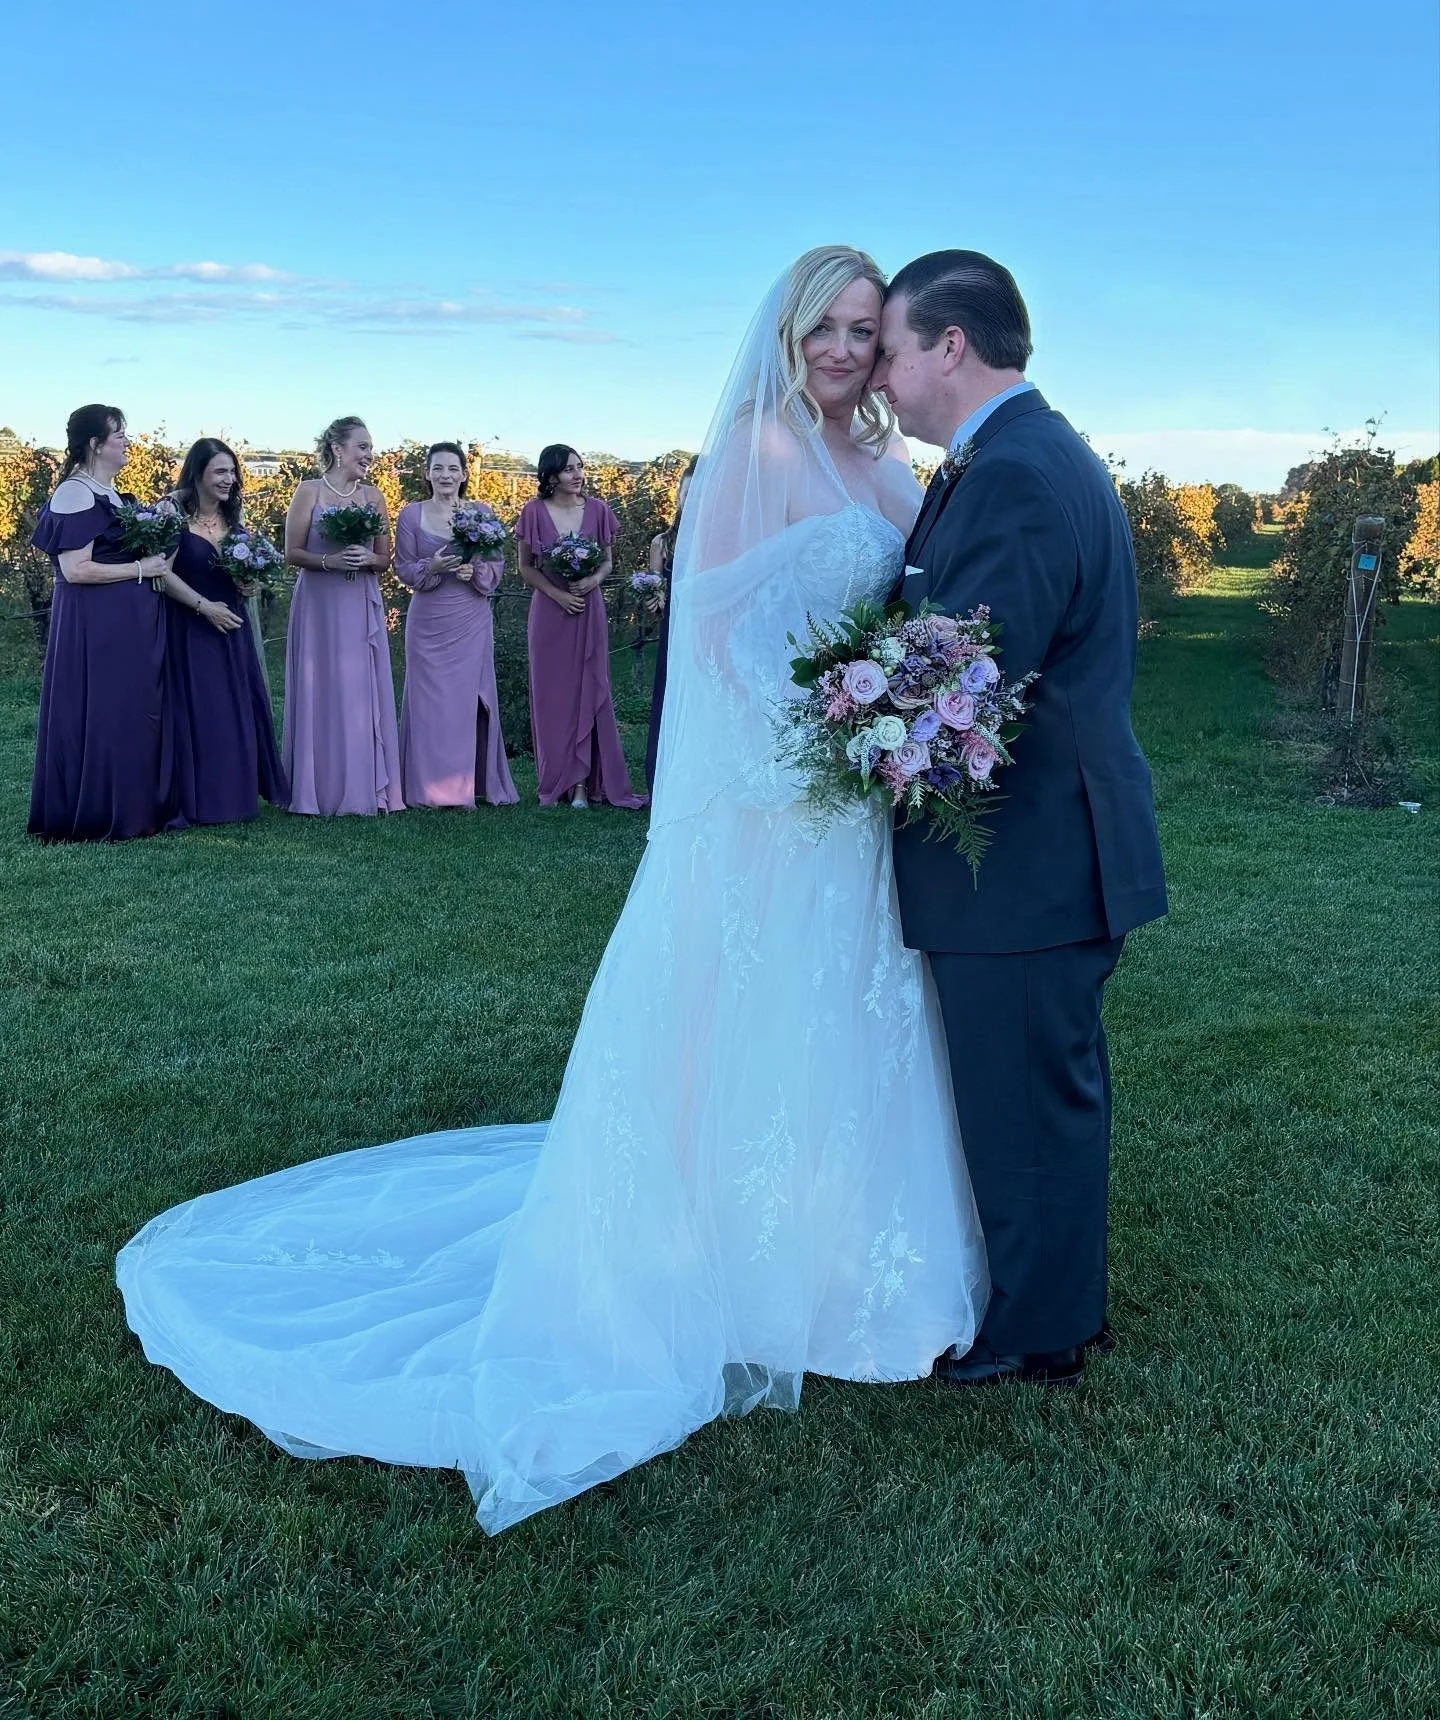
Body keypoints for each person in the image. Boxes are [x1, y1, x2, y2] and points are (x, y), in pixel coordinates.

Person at [115, 247, 988, 1535]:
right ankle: (733, 1261)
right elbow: (719, 640)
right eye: (828, 329)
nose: (848, 351)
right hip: (773, 797)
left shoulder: (895, 468)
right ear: (791, 332)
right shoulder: (753, 450)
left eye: (867, 331)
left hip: (859, 800)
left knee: (855, 1010)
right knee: (757, 1006)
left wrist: (897, 721)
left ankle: (852, 1256)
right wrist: (809, 749)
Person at [872, 249, 1168, 1387]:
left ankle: (1041, 1332)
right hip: (1049, 850)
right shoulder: (1014, 454)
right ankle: (1051, 1305)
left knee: (1030, 1099)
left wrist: (850, 708)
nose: (882, 376)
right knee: (1034, 1087)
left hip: (1036, 853)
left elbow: (966, 675)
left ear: (951, 344)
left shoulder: (1013, 472)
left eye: (893, 349)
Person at [28, 405, 179, 842]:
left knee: (126, 711)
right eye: (119, 435)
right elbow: (77, 570)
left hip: (126, 621)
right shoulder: (75, 493)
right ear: (95, 444)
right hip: (96, 624)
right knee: (104, 709)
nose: (127, 442)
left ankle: (132, 806)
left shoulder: (111, 493)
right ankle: (97, 810)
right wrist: (139, 570)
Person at [160, 439, 288, 825]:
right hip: (189, 624)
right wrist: (203, 607)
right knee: (203, 711)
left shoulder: (235, 517)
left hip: (232, 624)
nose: (228, 480)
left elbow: (241, 570)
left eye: (232, 472)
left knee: (236, 710)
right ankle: (199, 800)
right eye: (220, 472)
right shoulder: (173, 512)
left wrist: (249, 584)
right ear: (198, 473)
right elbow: (159, 573)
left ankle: (235, 796)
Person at [280, 417, 404, 817]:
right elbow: (292, 553)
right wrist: (329, 561)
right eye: (363, 447)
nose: (370, 454)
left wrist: (371, 559)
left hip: (358, 602)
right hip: (319, 602)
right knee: (320, 686)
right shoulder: (309, 491)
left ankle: (363, 786)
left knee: (359, 690)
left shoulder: (374, 497)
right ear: (337, 449)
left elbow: (387, 558)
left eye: (370, 447)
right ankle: (315, 789)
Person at [514, 446, 646, 809]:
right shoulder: (533, 512)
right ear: (551, 475)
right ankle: (556, 781)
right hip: (550, 613)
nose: (578, 474)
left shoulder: (599, 510)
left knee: (591, 689)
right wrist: (558, 595)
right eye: (569, 469)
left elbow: (607, 561)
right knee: (552, 697)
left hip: (588, 609)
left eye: (580, 467)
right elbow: (525, 569)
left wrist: (592, 583)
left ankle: (583, 787)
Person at [393, 443, 517, 809]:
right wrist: (431, 568)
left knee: (466, 703)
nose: (445, 475)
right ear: (426, 473)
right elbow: (403, 568)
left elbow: (495, 566)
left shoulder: (482, 513)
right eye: (438, 468)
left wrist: (473, 571)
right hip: (428, 618)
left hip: (469, 616)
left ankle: (465, 786)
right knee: (428, 703)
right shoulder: (410, 516)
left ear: (464, 474)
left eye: (452, 468)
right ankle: (426, 788)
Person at [643, 455, 696, 795]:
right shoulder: (662, 542)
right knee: (669, 693)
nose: (690, 499)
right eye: (685, 491)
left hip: (704, 631)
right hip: (673, 629)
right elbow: (653, 585)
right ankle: (661, 778)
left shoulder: (719, 539)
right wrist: (654, 598)